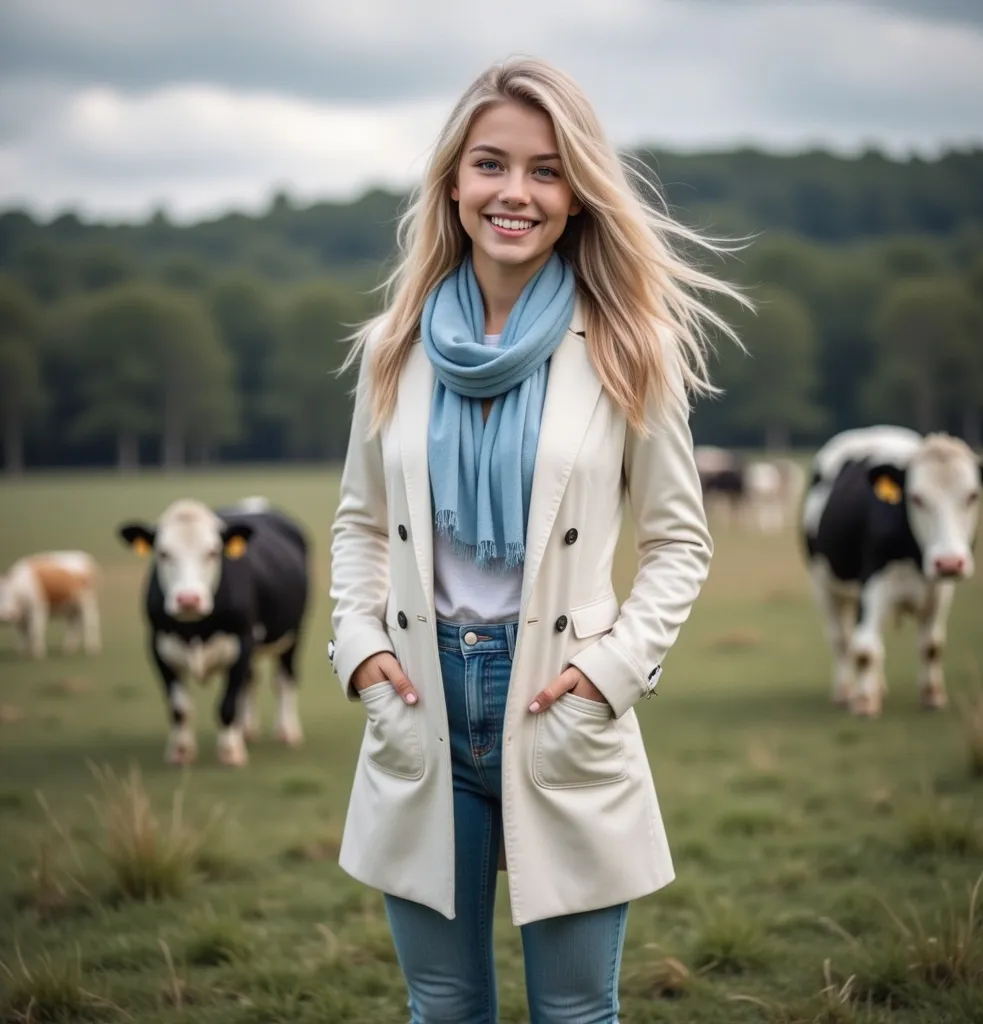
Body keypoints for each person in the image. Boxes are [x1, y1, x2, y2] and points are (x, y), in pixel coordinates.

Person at [329, 55, 745, 1024]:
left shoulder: (627, 343)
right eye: (490, 164)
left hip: (559, 692)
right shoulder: (393, 344)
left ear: (575, 194)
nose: (514, 191)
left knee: (573, 1013)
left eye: (545, 169)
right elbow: (358, 522)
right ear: (454, 182)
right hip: (420, 695)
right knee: (441, 1004)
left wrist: (611, 673)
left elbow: (680, 541)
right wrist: (362, 654)